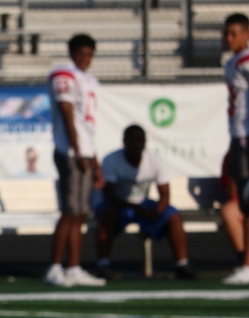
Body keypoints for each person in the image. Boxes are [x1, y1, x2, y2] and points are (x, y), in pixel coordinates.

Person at [93, 125, 197, 280]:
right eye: (132, 140)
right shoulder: (111, 160)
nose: (136, 144)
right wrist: (138, 209)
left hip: (143, 204)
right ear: (124, 142)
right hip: (118, 205)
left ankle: (182, 265)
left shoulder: (156, 160)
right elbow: (110, 196)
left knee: (173, 215)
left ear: (145, 142)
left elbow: (165, 195)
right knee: (108, 214)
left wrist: (157, 211)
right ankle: (103, 265)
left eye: (139, 140)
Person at [44, 34, 106, 287]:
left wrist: (94, 161)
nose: (85, 58)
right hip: (70, 152)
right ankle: (55, 266)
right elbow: (68, 114)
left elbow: (87, 126)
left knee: (80, 213)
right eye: (81, 53)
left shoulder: (88, 80)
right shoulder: (64, 74)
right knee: (70, 212)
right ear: (71, 52)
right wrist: (79, 151)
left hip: (84, 152)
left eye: (89, 53)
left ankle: (74, 267)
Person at [222, 12, 249, 284]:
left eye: (234, 34)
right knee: (244, 201)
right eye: (226, 34)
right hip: (239, 134)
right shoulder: (232, 63)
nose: (228, 39)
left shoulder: (246, 60)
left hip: (247, 136)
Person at [219, 151, 245, 262]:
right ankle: (245, 260)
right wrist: (238, 170)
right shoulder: (234, 155)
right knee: (229, 211)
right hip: (243, 202)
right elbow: (232, 194)